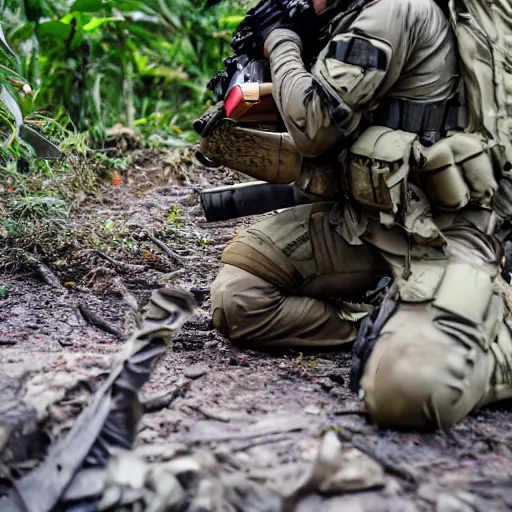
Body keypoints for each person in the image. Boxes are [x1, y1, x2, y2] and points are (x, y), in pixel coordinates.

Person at [209, 0, 512, 429]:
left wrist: (280, 39)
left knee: (406, 393)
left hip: (443, 237)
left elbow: (313, 127)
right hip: (367, 223)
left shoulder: (393, 10)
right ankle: (381, 322)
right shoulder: (350, 16)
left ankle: (489, 333)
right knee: (238, 297)